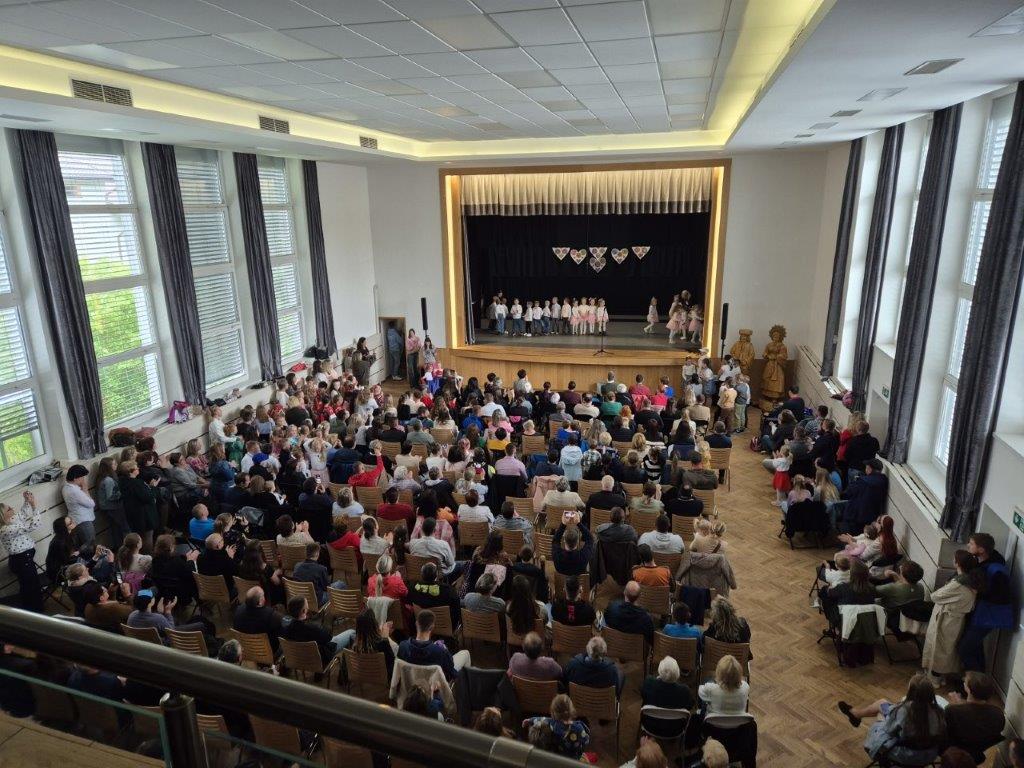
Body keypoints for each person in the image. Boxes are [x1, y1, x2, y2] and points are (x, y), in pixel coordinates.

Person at [841, 673, 946, 766]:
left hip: (907, 755)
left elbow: (889, 730)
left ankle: (856, 715)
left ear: (911, 693)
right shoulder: (939, 711)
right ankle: (856, 714)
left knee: (881, 715)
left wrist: (886, 718)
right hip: (930, 753)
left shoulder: (904, 711)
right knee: (882, 703)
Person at [960, 531, 1014, 672]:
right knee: (975, 649)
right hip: (979, 613)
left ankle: (973, 682)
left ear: (981, 550)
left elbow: (1000, 596)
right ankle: (976, 679)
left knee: (965, 649)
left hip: (986, 616)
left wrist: (978, 591)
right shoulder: (980, 563)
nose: (968, 545)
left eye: (971, 544)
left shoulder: (997, 571)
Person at [923, 550, 980, 682]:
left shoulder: (958, 583)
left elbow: (935, 596)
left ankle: (934, 679)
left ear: (957, 563)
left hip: (947, 619)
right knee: (948, 649)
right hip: (957, 619)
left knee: (940, 649)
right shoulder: (971, 580)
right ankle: (941, 677)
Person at [398, 609, 471, 681]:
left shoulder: (403, 646)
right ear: (432, 627)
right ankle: (467, 685)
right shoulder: (440, 651)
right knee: (466, 653)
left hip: (413, 682)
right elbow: (451, 669)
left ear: (416, 623)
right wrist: (445, 651)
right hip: (437, 684)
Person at [0, 491, 43, 612]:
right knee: (30, 587)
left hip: (24, 559)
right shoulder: (6, 529)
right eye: (9, 509)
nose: (12, 508)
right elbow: (33, 525)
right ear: (3, 515)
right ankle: (35, 612)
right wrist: (34, 506)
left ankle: (34, 609)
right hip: (22, 560)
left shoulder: (11, 521)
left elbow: (22, 515)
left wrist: (27, 500)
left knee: (31, 585)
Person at [524, 694, 590, 761]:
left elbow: (542, 719)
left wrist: (529, 720)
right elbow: (586, 742)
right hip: (574, 760)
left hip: (558, 757)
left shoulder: (552, 723)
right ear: (571, 710)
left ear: (553, 711)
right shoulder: (579, 728)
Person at [233, 586, 283, 651]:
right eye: (263, 596)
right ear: (260, 602)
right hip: (267, 651)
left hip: (246, 649)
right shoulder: (270, 615)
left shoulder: (238, 610)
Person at [62, 464, 96, 546]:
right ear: (75, 478)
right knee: (90, 546)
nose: (83, 480)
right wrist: (85, 489)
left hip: (76, 520)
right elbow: (91, 504)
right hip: (84, 522)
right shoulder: (74, 491)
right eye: (82, 477)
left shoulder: (65, 488)